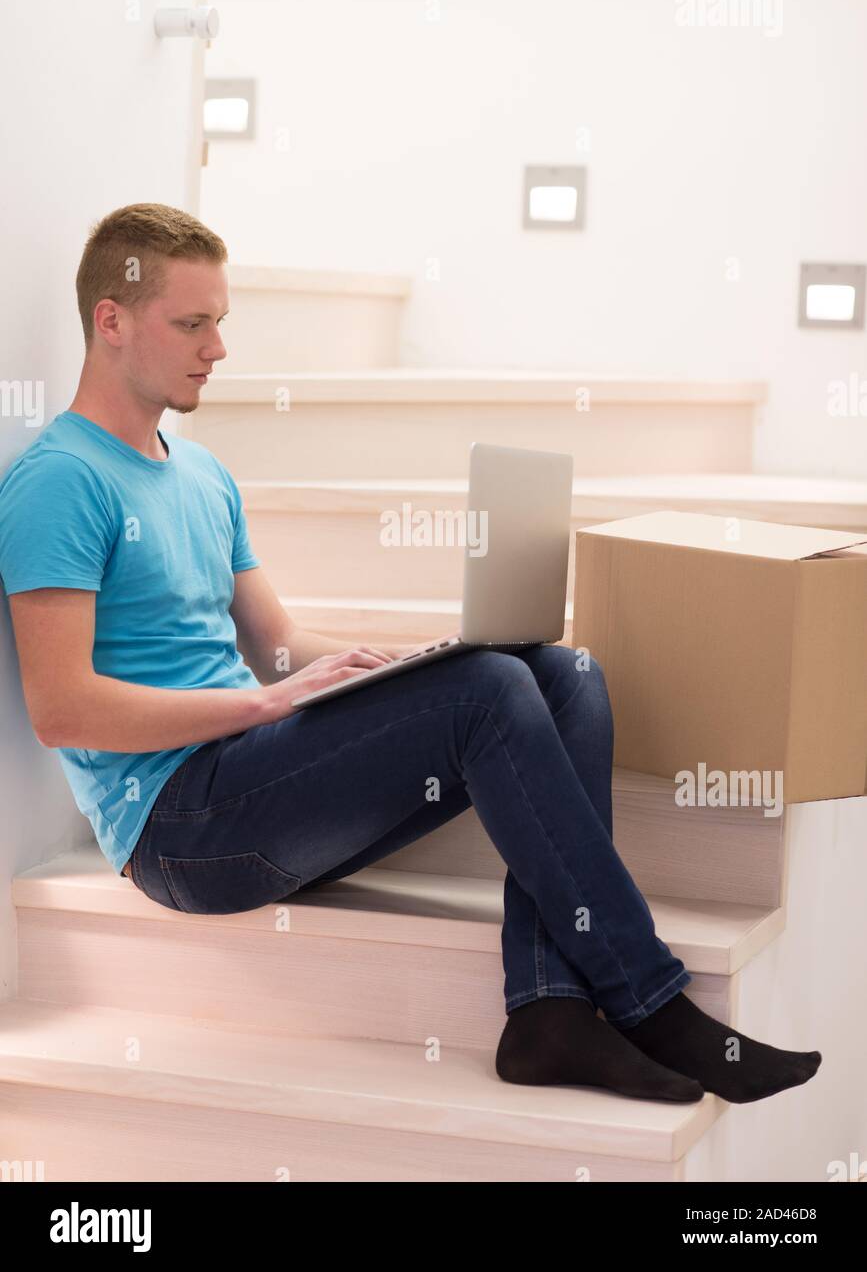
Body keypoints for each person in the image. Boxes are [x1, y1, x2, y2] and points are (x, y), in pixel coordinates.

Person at [0, 203, 822, 1107]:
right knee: (487, 693)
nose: (217, 348)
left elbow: (275, 647)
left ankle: (547, 1011)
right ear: (110, 320)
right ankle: (649, 998)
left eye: (220, 322)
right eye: (192, 323)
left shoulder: (200, 472)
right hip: (181, 830)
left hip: (250, 771)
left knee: (562, 675)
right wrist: (265, 706)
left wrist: (394, 670)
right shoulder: (58, 482)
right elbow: (61, 707)